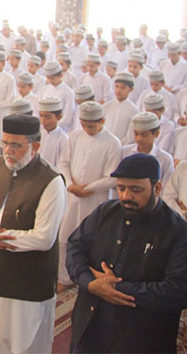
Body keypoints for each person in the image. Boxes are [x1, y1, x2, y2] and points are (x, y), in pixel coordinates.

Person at [66, 153, 187, 353]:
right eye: (121, 188)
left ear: (157, 188)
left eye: (136, 190)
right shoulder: (105, 212)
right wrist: (90, 283)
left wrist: (115, 288)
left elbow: (179, 291)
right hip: (91, 325)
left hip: (142, 336)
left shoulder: (179, 232)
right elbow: (74, 248)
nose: (126, 196)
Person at [0, 114, 67, 353]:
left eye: (16, 145)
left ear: (35, 146)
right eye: (5, 143)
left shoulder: (51, 181)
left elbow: (44, 237)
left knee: (26, 341)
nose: (8, 151)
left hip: (29, 277)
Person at [57, 101, 122, 289]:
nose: (87, 130)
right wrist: (70, 185)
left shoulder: (113, 143)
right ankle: (64, 278)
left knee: (92, 242)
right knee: (64, 238)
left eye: (91, 126)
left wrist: (88, 189)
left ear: (102, 121)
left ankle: (90, 280)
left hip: (95, 201)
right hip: (72, 198)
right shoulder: (75, 136)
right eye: (84, 125)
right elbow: (63, 164)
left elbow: (112, 178)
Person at [120, 112, 173, 184]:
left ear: (156, 134)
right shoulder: (124, 152)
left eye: (144, 135)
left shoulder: (165, 159)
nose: (139, 139)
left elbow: (166, 186)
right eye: (136, 134)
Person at [102, 71, 139, 143]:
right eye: (117, 86)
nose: (119, 90)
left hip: (122, 147)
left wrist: (117, 145)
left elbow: (130, 136)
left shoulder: (134, 110)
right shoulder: (106, 106)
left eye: (123, 87)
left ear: (131, 89)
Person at [37, 96, 68, 167]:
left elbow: (62, 165)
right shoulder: (37, 133)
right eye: (41, 116)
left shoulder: (63, 139)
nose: (43, 120)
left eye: (48, 117)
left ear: (59, 117)